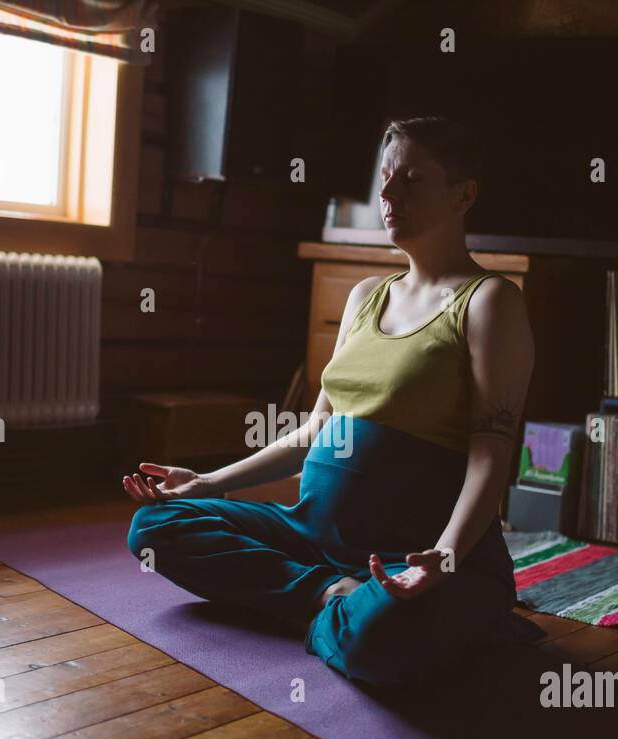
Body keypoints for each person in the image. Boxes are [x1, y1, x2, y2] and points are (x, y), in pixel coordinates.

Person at [123, 115, 543, 688]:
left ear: (463, 194)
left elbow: (492, 451)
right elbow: (316, 430)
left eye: (412, 180)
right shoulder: (365, 297)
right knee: (156, 526)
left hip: (415, 555)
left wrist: (444, 558)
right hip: (315, 536)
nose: (388, 195)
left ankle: (353, 608)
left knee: (380, 641)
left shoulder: (489, 301)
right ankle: (328, 596)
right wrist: (207, 483)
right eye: (386, 178)